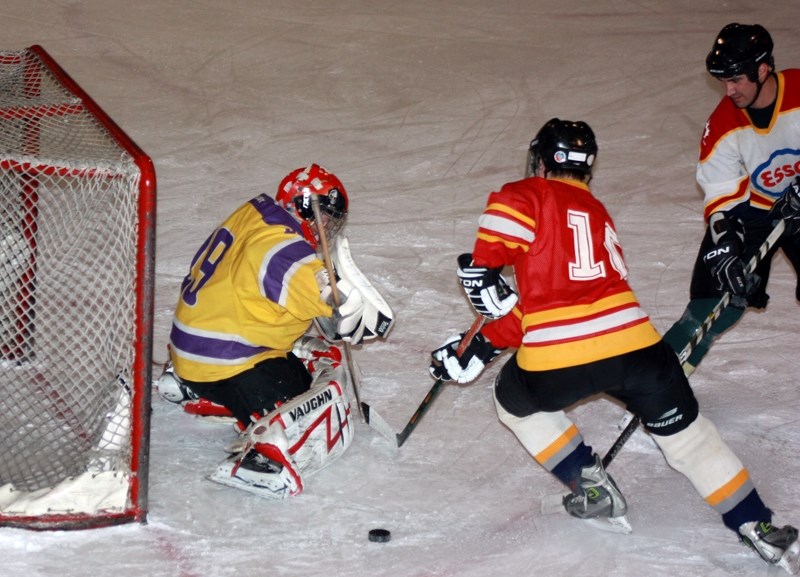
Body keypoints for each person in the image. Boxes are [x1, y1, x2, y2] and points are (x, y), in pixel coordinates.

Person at [429, 118, 800, 572]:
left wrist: (483, 284)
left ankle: (590, 484)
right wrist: (485, 340)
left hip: (556, 362)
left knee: (512, 402)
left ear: (543, 162)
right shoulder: (597, 211)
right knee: (691, 438)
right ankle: (757, 525)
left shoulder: (529, 193)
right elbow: (556, 302)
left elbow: (502, 250)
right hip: (638, 351)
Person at [158, 163, 393, 499]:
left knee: (304, 350)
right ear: (305, 208)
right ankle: (262, 458)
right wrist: (347, 308)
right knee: (307, 392)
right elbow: (329, 303)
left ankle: (191, 384)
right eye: (324, 216)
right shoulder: (286, 252)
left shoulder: (256, 213)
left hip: (190, 349)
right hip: (225, 364)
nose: (327, 226)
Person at [663, 23, 800, 373]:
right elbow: (721, 191)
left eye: (736, 80)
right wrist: (725, 240)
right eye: (723, 81)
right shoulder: (724, 121)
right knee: (711, 306)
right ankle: (659, 390)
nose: (729, 91)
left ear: (763, 70)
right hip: (756, 213)